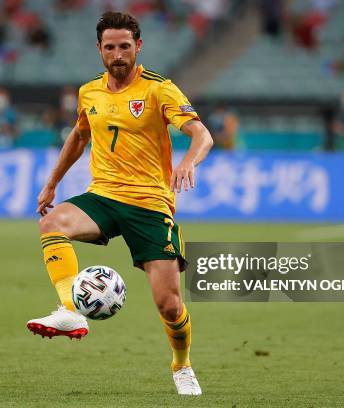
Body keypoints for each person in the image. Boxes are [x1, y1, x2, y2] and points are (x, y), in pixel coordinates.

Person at [26, 12, 213, 396]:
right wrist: (52, 183)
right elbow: (79, 138)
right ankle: (69, 312)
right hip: (104, 196)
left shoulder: (160, 90)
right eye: (109, 47)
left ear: (138, 47)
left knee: (170, 307)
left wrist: (188, 161)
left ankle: (182, 365)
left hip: (150, 205)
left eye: (124, 46)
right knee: (52, 224)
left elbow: (202, 134)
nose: (117, 54)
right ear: (99, 49)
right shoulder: (89, 93)